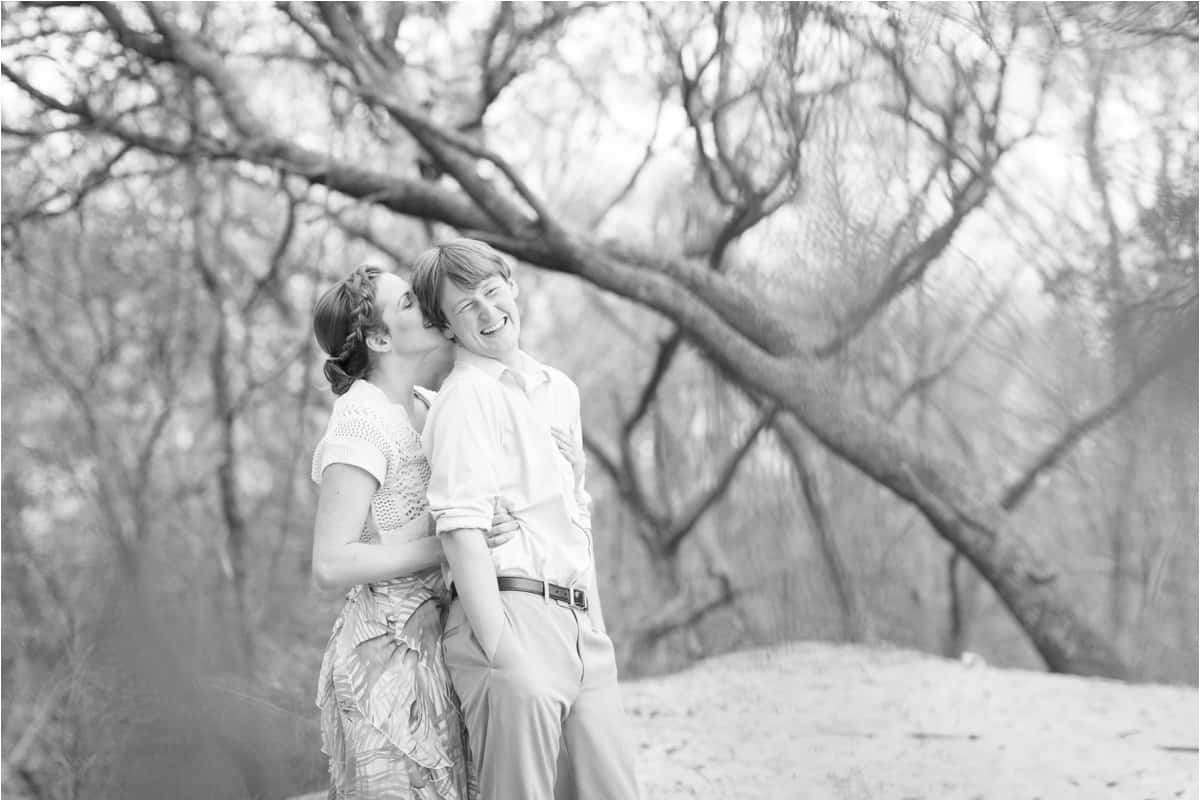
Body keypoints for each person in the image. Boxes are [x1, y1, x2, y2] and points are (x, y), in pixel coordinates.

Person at [411, 238, 641, 800]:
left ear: (512, 284)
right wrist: (504, 656)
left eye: (492, 292)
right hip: (511, 616)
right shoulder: (466, 398)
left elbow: (576, 521)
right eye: (467, 307)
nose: (488, 313)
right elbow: (461, 531)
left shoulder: (558, 389)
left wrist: (596, 628)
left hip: (580, 624)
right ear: (446, 328)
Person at [309, 264, 524, 799]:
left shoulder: (431, 404)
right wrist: (451, 543)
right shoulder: (359, 418)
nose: (427, 305)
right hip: (385, 653)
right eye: (407, 302)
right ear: (379, 338)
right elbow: (330, 562)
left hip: (444, 639)